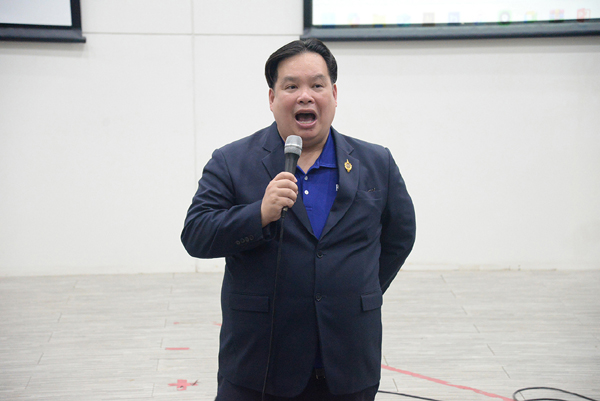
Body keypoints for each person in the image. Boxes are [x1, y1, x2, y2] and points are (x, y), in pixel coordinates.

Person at [181, 38, 416, 401]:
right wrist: (259, 214)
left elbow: (399, 238)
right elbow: (196, 234)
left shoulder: (376, 162)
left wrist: (358, 290)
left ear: (334, 94)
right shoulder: (231, 161)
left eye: (317, 85)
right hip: (259, 366)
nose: (305, 96)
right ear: (272, 97)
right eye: (291, 86)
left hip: (348, 365)